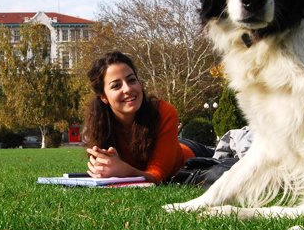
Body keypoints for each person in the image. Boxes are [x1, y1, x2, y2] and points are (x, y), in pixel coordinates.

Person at [84, 51, 213, 183]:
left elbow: (157, 177)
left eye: (131, 80)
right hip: (174, 145)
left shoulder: (164, 112)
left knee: (227, 157)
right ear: (104, 97)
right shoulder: (100, 124)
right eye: (116, 86)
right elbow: (110, 171)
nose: (127, 89)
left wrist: (124, 171)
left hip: (193, 155)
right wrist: (105, 166)